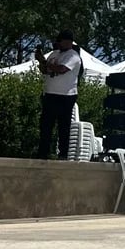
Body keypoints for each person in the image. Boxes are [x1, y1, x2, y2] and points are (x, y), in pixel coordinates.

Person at [35, 30, 82, 160]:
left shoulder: (73, 56)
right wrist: (40, 61)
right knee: (46, 124)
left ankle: (63, 154)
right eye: (61, 41)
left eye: (65, 41)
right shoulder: (54, 54)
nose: (62, 44)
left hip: (66, 95)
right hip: (50, 93)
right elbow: (45, 70)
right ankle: (43, 152)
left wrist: (45, 63)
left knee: (63, 125)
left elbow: (62, 69)